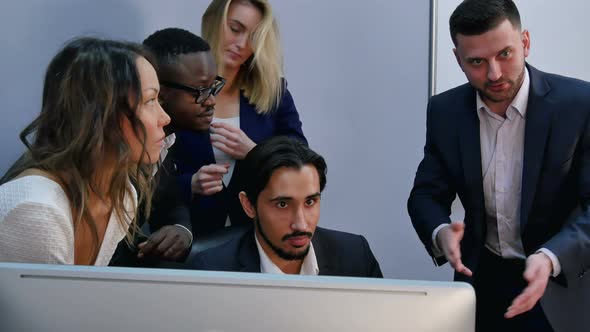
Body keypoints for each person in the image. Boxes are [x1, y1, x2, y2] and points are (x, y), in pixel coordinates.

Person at [407, 1, 590, 331]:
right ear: (457, 60)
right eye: (476, 61)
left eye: (505, 54)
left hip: (561, 286)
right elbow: (425, 196)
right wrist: (441, 233)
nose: (494, 74)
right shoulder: (445, 112)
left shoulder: (579, 105)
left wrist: (550, 258)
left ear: (526, 43)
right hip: (483, 284)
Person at [0, 37, 170, 265]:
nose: (165, 118)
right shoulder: (37, 208)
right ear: (101, 114)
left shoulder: (123, 195)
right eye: (150, 100)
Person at [165, 0, 305, 235]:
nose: (242, 44)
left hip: (257, 234)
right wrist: (190, 184)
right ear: (213, 24)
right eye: (235, 29)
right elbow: (146, 175)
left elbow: (303, 163)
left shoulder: (274, 92)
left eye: (252, 36)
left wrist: (256, 153)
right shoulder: (177, 88)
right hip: (189, 234)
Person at [190, 136, 382, 277]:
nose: (301, 224)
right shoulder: (212, 270)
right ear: (248, 205)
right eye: (282, 204)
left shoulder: (356, 256)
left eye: (310, 202)